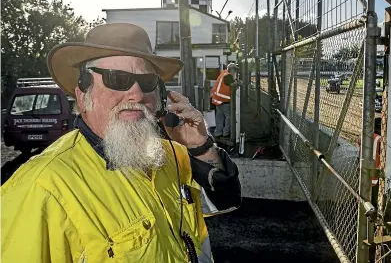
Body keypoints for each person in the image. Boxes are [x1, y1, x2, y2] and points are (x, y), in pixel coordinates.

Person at [1, 23, 241, 262]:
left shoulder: (170, 154)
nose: (137, 94)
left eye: (147, 81)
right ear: (83, 95)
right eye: (117, 79)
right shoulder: (40, 188)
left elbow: (221, 203)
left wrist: (200, 147)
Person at [210, 63, 239, 138]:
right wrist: (238, 82)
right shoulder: (228, 76)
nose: (235, 73)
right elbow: (233, 85)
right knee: (228, 116)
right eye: (235, 72)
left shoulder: (223, 74)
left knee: (219, 117)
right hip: (225, 101)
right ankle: (226, 133)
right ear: (232, 70)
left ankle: (218, 132)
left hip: (217, 100)